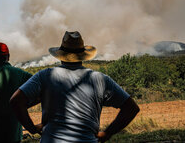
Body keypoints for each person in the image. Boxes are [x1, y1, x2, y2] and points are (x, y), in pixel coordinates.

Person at [10, 31, 140, 143]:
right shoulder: (100, 79)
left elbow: (16, 100)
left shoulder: (46, 75)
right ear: (82, 56)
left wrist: (32, 128)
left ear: (61, 55)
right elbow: (131, 108)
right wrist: (107, 133)